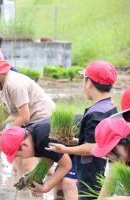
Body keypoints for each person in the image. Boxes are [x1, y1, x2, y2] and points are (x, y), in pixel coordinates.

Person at [46, 60, 118, 199]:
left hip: (91, 173)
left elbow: (92, 147)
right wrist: (74, 141)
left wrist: (64, 149)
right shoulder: (110, 106)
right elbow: (100, 142)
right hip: (102, 170)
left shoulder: (95, 113)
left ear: (89, 83)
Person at [0, 52, 55, 173]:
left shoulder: (14, 84)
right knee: (18, 156)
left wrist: (7, 132)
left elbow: (24, 116)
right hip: (30, 118)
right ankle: (27, 184)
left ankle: (36, 185)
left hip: (42, 117)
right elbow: (5, 109)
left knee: (28, 160)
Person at [0, 120, 72, 195]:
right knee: (59, 186)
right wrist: (32, 176)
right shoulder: (31, 134)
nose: (21, 158)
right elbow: (49, 158)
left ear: (24, 145)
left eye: (18, 155)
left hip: (81, 142)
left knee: (69, 182)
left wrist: (45, 187)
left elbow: (66, 165)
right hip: (69, 147)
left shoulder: (43, 139)